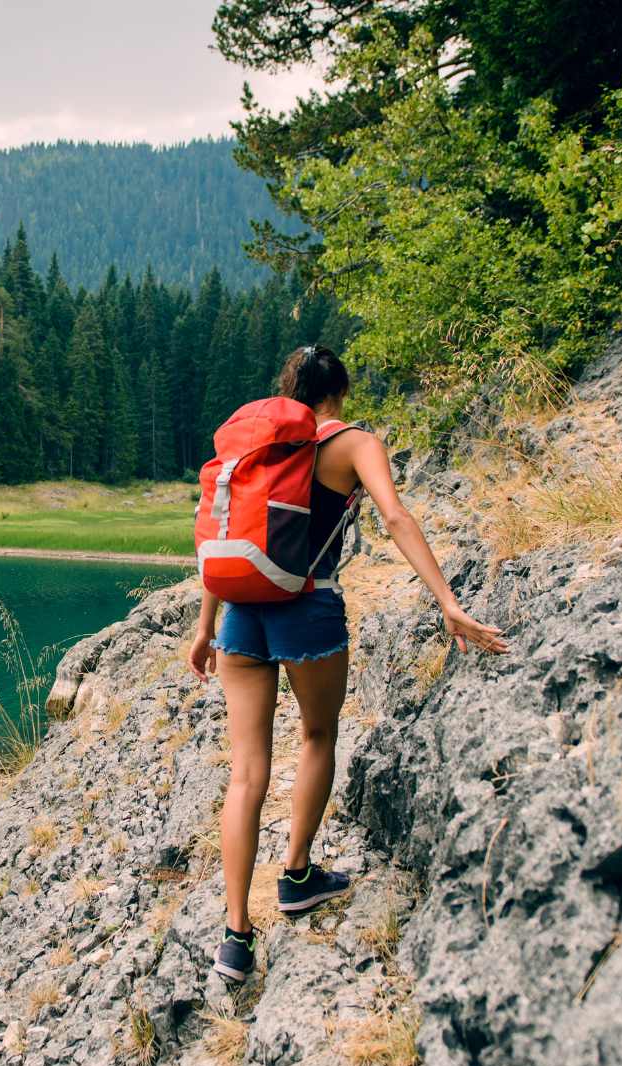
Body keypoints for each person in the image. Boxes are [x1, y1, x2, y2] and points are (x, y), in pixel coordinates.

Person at [187, 344, 510, 984]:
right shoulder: (353, 443)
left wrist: (204, 628)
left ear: (288, 390)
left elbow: (228, 534)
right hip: (308, 608)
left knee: (247, 774)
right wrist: (448, 601)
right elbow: (393, 515)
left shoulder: (256, 448)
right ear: (340, 393)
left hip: (240, 614)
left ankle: (235, 935)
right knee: (316, 735)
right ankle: (298, 875)